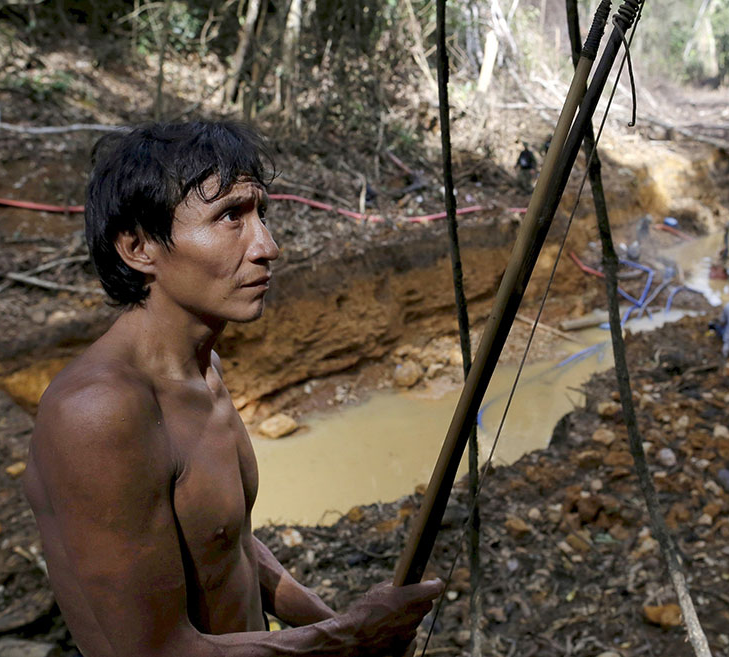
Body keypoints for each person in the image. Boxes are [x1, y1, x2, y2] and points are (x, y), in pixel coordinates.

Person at [22, 121, 443, 657]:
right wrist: (348, 638)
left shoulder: (202, 369)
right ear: (138, 247)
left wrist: (335, 623)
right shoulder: (99, 414)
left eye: (260, 213)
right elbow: (155, 653)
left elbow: (227, 544)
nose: (267, 246)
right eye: (228, 217)